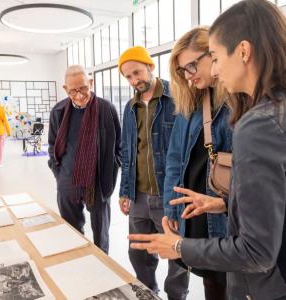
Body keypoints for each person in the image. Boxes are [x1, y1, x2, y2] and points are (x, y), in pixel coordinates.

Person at [129, 1, 286, 299]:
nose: (214, 69)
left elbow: (256, 251)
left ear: (242, 51)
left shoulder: (257, 122)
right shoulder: (270, 110)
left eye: (214, 57)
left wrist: (175, 246)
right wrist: (224, 203)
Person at [161, 27, 232, 300]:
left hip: (225, 210)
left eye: (192, 65)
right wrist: (171, 207)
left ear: (214, 53)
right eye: (183, 70)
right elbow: (174, 160)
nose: (189, 75)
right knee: (211, 283)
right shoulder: (191, 103)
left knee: (233, 282)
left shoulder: (239, 99)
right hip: (194, 210)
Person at [118, 46, 188, 300]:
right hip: (138, 196)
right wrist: (124, 191)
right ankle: (148, 294)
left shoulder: (179, 96)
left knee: (177, 257)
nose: (134, 80)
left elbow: (187, 151)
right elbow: (128, 151)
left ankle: (176, 297)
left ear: (151, 67)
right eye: (128, 77)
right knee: (139, 252)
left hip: (169, 196)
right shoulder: (130, 107)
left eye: (137, 72)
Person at [48, 65, 121, 254]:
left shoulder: (106, 109)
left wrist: (112, 169)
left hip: (98, 183)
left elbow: (120, 146)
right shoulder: (58, 111)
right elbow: (52, 145)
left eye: (83, 89)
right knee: (71, 231)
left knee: (101, 234)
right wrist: (59, 173)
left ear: (91, 83)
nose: (79, 95)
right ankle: (78, 262)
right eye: (73, 91)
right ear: (65, 89)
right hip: (67, 181)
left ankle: (102, 265)